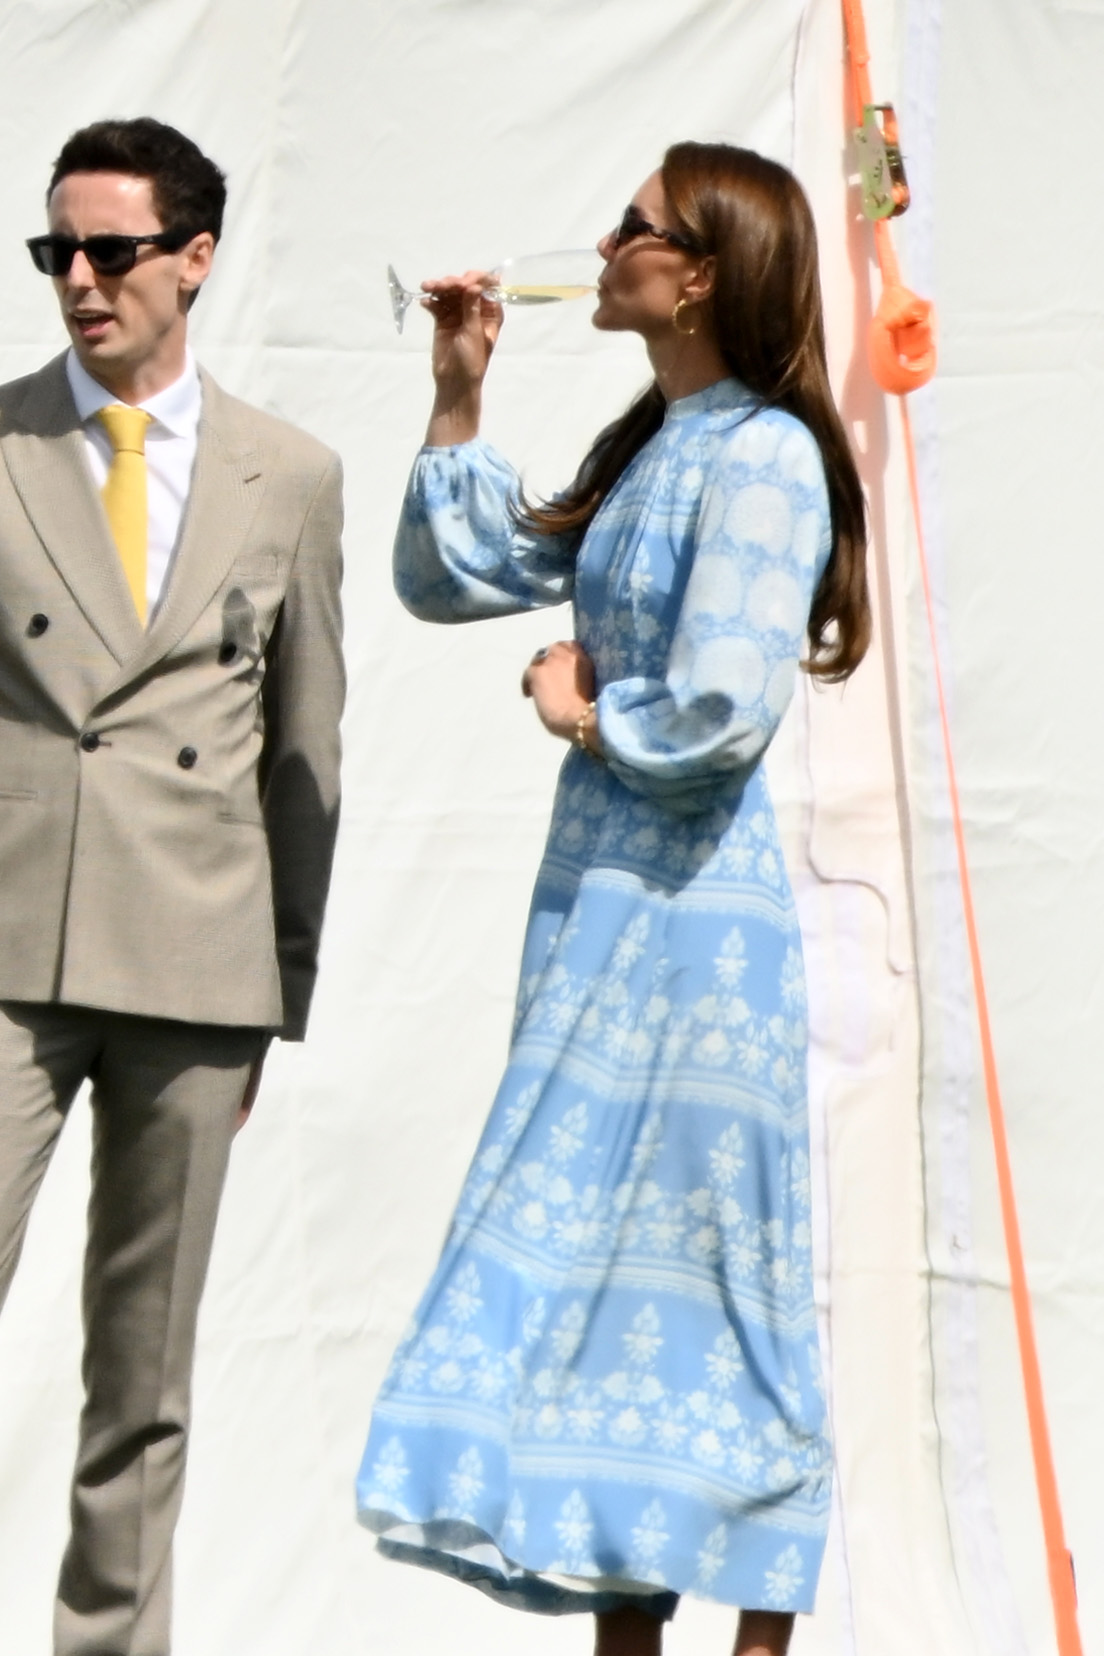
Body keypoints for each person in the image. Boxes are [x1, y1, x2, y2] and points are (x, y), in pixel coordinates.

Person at [357, 141, 868, 1656]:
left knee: (716, 1289)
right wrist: (461, 391)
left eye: (631, 227)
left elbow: (724, 707)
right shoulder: (661, 444)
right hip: (605, 912)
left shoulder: (767, 453)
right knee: (590, 1275)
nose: (603, 242)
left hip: (698, 938)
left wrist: (584, 708)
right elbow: (460, 573)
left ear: (699, 272)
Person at [0, 117, 344, 1653]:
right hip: (7, 942)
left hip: (201, 970)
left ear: (194, 260)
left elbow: (306, 749)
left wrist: (284, 983)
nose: (79, 280)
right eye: (53, 251)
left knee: (142, 1377)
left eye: (112, 252)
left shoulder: (291, 473)